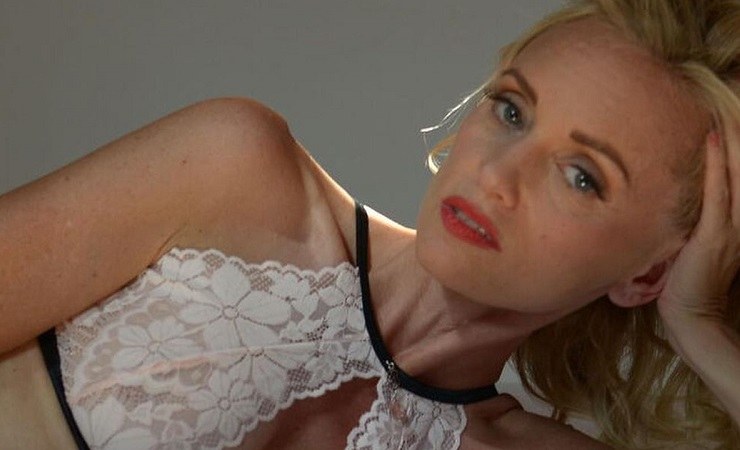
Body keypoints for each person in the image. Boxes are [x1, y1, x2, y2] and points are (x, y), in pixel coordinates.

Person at [0, 0, 738, 448]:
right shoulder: (237, 175)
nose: (496, 175)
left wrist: (701, 325)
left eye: (581, 176)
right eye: (512, 111)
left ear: (648, 272)